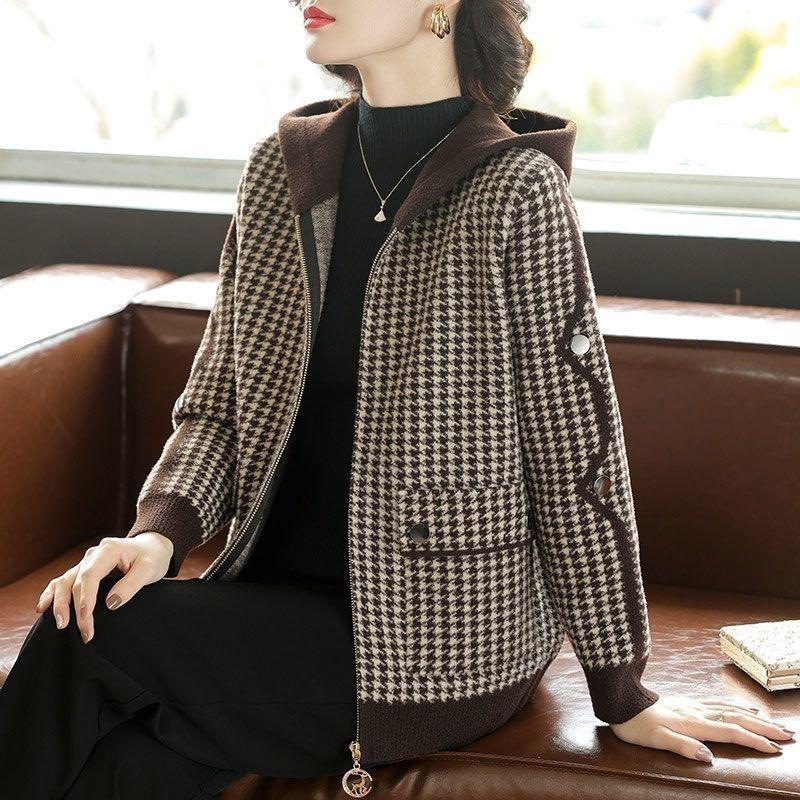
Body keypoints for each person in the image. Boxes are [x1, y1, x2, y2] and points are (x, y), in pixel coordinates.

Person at [0, 0, 792, 797]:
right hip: (271, 602)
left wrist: (622, 689)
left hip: (436, 641)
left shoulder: (517, 191)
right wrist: (158, 534)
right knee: (118, 763)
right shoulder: (282, 172)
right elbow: (219, 407)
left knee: (85, 636)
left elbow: (576, 457)